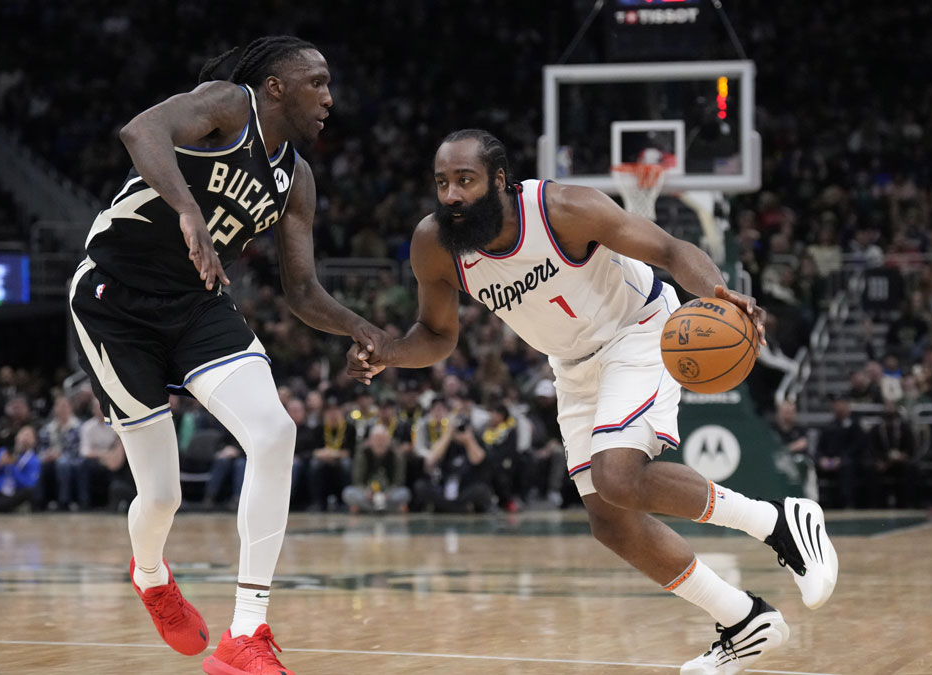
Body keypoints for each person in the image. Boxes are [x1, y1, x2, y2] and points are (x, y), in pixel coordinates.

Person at [348, 129, 838, 673]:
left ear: (500, 182)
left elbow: (672, 250)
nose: (452, 196)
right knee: (611, 522)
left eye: (466, 180)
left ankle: (779, 522)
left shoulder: (562, 208)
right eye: (442, 183)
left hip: (639, 328)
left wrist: (715, 293)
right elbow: (438, 335)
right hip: (572, 366)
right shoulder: (436, 244)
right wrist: (388, 353)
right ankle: (744, 620)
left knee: (618, 476)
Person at [67, 36, 386, 675]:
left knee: (274, 434)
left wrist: (357, 328)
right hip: (115, 301)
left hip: (197, 304)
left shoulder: (296, 179)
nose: (329, 98)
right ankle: (151, 575)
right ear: (275, 86)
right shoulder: (227, 106)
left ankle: (246, 636)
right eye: (316, 83)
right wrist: (186, 210)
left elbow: (300, 290)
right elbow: (140, 130)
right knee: (159, 497)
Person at [342, 423, 411, 513]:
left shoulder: (396, 455)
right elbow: (357, 480)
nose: (379, 443)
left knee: (405, 493)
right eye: (376, 439)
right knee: (348, 492)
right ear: (370, 441)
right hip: (367, 494)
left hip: (389, 494)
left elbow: (398, 481)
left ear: (389, 441)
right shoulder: (362, 454)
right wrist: (367, 493)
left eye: (383, 439)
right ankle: (390, 509)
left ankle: (365, 509)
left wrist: (387, 494)